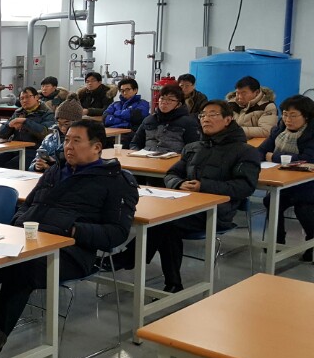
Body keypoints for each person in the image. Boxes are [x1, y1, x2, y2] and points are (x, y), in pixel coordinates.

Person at [0, 120, 137, 357]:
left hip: (71, 252)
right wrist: (18, 223)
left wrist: (74, 230)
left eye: (76, 141)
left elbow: (117, 233)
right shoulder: (56, 170)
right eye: (66, 140)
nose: (68, 146)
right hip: (29, 241)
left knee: (23, 268)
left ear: (97, 147)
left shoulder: (116, 182)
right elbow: (28, 204)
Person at [111, 100, 261, 291]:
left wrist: (203, 186)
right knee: (164, 224)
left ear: (228, 119)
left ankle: (128, 259)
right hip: (183, 205)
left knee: (163, 223)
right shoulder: (194, 147)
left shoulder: (245, 151)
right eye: (203, 115)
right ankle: (173, 283)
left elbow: (245, 187)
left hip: (215, 212)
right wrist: (179, 183)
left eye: (213, 114)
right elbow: (172, 174)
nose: (206, 119)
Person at [257, 95, 314, 260]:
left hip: (308, 183)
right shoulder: (279, 130)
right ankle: (277, 240)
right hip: (284, 180)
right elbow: (260, 151)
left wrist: (273, 157)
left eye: (293, 115)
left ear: (306, 116)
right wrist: (261, 157)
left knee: (303, 207)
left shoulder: (311, 133)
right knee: (271, 201)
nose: (288, 119)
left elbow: (306, 159)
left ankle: (311, 243)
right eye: (285, 114)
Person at [0, 86, 55, 168]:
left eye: (27, 97)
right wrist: (9, 125)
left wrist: (25, 121)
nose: (24, 100)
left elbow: (45, 133)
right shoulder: (18, 112)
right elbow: (1, 134)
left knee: (11, 166)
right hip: (15, 149)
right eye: (22, 98)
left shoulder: (47, 113)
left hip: (34, 150)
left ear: (36, 97)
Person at [130, 84, 199, 154]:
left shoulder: (188, 122)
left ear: (179, 104)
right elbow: (134, 144)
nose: (164, 102)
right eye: (162, 98)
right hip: (146, 157)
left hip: (173, 159)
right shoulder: (149, 120)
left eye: (170, 100)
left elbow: (193, 149)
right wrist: (137, 154)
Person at [29, 98, 82, 172]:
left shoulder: (82, 141)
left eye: (66, 124)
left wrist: (51, 168)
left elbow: (77, 169)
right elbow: (32, 164)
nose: (63, 128)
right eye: (59, 123)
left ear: (77, 122)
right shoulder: (49, 139)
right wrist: (36, 166)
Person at [103, 78, 149, 146]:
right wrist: (125, 119)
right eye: (122, 91)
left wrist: (116, 114)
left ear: (135, 90)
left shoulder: (143, 103)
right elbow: (105, 118)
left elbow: (137, 117)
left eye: (127, 90)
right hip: (112, 133)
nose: (124, 93)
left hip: (131, 135)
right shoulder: (115, 104)